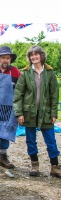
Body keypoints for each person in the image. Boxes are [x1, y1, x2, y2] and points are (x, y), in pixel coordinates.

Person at [13, 45, 61, 178]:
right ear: (29, 58)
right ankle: (34, 165)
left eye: (36, 54)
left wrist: (53, 113)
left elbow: (54, 95)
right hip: (29, 112)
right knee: (31, 140)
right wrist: (19, 113)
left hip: (46, 112)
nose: (33, 57)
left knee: (51, 140)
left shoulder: (50, 73)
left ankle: (55, 166)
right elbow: (18, 95)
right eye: (31, 55)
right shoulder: (25, 73)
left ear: (41, 56)